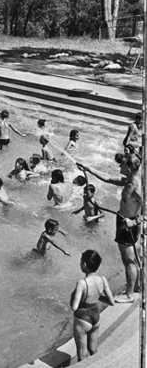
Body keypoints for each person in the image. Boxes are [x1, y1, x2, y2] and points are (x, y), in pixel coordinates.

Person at [78, 153, 142, 303]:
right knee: (133, 257)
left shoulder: (135, 184)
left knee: (128, 261)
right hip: (125, 221)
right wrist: (89, 169)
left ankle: (129, 294)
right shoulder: (131, 180)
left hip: (129, 224)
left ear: (129, 167)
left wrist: (134, 222)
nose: (119, 167)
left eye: (122, 165)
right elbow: (108, 179)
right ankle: (136, 287)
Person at [70, 250, 114, 361]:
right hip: (96, 317)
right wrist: (97, 297)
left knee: (82, 353)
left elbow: (74, 307)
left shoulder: (82, 283)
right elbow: (111, 302)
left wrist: (73, 294)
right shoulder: (102, 280)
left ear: (84, 264)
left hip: (83, 319)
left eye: (80, 262)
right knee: (93, 349)